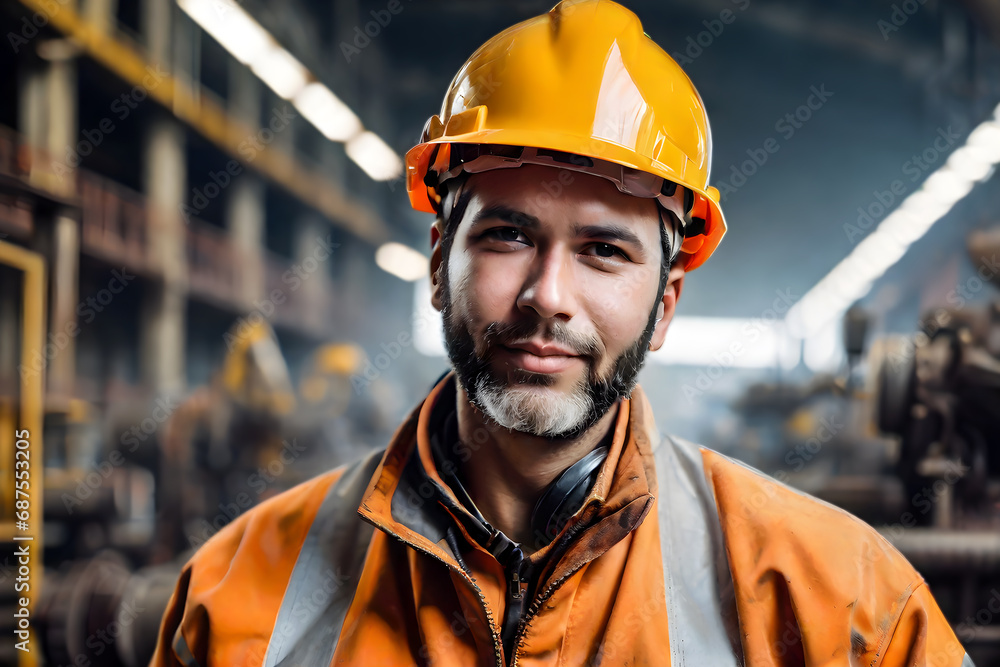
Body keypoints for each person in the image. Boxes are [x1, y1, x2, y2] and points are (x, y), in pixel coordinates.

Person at [150, 1, 974, 665]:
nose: (549, 296)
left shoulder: (846, 608)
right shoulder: (235, 598)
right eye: (507, 235)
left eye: (605, 251)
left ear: (667, 303)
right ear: (440, 262)